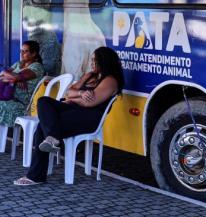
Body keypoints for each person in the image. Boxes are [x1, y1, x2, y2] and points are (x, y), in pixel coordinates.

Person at [13, 46, 124, 186]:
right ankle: (52, 139)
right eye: (92, 60)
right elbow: (69, 92)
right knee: (43, 101)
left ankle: (37, 174)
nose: (91, 63)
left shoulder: (110, 81)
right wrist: (80, 94)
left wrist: (74, 99)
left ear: (104, 62)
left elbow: (90, 103)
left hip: (88, 118)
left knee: (42, 126)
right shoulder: (90, 76)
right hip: (73, 110)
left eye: (95, 60)